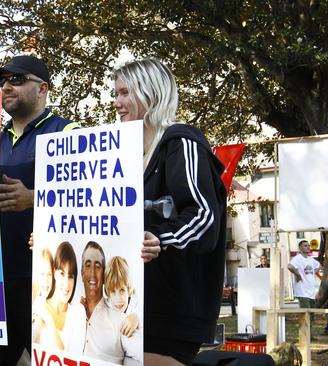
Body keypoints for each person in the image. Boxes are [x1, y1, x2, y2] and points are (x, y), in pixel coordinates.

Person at [0, 55, 80, 366]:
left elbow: (89, 199)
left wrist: (35, 198)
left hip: (45, 281)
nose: (6, 87)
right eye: (2, 82)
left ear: (43, 88)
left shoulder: (68, 132)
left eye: (17, 79)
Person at [114, 59, 227, 365]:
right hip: (133, 307)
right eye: (116, 94)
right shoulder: (128, 158)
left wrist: (161, 238)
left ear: (150, 94)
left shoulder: (180, 141)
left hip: (172, 311)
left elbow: (203, 215)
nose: (117, 103)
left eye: (125, 93)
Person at [76, 241, 142, 365]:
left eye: (98, 266)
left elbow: (141, 351)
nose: (118, 299)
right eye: (88, 265)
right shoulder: (78, 310)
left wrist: (136, 317)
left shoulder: (125, 318)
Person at [32, 242, 78, 349]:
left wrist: (49, 320)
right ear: (55, 272)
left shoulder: (76, 313)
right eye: (62, 273)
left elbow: (64, 357)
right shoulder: (38, 303)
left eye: (70, 276)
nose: (66, 284)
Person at [105, 256, 139, 337]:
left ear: (128, 288)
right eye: (113, 292)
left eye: (122, 290)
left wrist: (136, 318)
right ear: (108, 293)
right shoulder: (106, 304)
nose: (118, 299)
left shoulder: (135, 303)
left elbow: (141, 313)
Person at [288, 240, 321, 309]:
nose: (308, 247)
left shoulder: (311, 259)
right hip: (302, 292)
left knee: (312, 314)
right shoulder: (297, 258)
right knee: (306, 314)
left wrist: (313, 272)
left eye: (309, 245)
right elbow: (289, 266)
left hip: (311, 293)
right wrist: (298, 274)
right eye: (305, 246)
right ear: (300, 248)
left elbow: (319, 266)